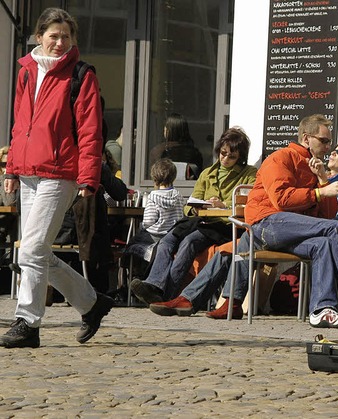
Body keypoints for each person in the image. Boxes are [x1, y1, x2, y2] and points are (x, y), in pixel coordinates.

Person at [149, 114, 338, 328]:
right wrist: (320, 192)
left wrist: (322, 181)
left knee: (324, 243)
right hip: (266, 224)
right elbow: (282, 200)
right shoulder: (281, 158)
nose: (328, 147)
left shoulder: (313, 167)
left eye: (329, 142)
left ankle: (321, 309)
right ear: (307, 138)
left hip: (284, 231)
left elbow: (324, 216)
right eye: (324, 141)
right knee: (334, 228)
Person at [0, 8, 114, 348]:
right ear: (40, 37)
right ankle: (92, 304)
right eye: (54, 36)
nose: (60, 42)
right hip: (29, 173)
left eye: (66, 36)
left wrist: (88, 179)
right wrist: (11, 169)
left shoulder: (81, 75)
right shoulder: (26, 74)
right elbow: (21, 127)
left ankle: (27, 323)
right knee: (38, 252)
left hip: (61, 173)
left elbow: (91, 131)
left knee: (31, 249)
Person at [130, 127, 257, 304]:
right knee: (166, 241)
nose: (225, 159)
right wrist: (197, 208)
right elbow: (189, 206)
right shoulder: (207, 173)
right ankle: (154, 285)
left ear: (240, 157)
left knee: (189, 242)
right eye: (223, 153)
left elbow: (250, 202)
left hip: (225, 225)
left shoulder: (249, 174)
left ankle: (168, 296)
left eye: (232, 156)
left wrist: (223, 204)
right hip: (202, 221)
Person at [122, 158, 184, 268]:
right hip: (171, 235)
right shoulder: (178, 195)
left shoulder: (153, 196)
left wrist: (142, 226)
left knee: (131, 244)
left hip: (154, 235)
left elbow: (149, 221)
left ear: (154, 178)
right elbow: (180, 217)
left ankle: (134, 266)